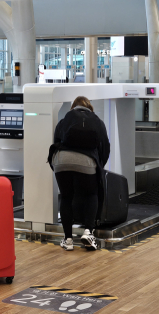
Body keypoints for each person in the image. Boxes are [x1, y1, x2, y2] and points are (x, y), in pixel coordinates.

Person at [48, 96, 110, 251]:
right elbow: (105, 147)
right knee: (91, 194)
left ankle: (68, 240)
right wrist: (98, 166)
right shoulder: (97, 121)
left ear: (73, 108)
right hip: (86, 161)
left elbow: (56, 140)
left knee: (66, 196)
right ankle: (88, 232)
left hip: (61, 160)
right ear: (89, 108)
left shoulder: (64, 120)